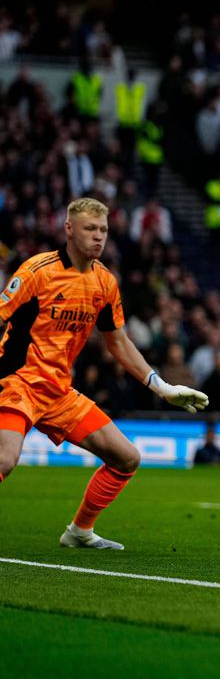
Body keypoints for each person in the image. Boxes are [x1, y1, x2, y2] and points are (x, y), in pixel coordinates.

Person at [0, 198, 209, 549]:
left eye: (103, 230)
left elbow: (118, 342)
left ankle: (79, 532)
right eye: (89, 229)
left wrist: (161, 386)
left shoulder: (104, 283)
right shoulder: (37, 271)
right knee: (5, 458)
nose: (98, 237)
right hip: (17, 381)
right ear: (69, 229)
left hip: (59, 393)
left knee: (126, 458)